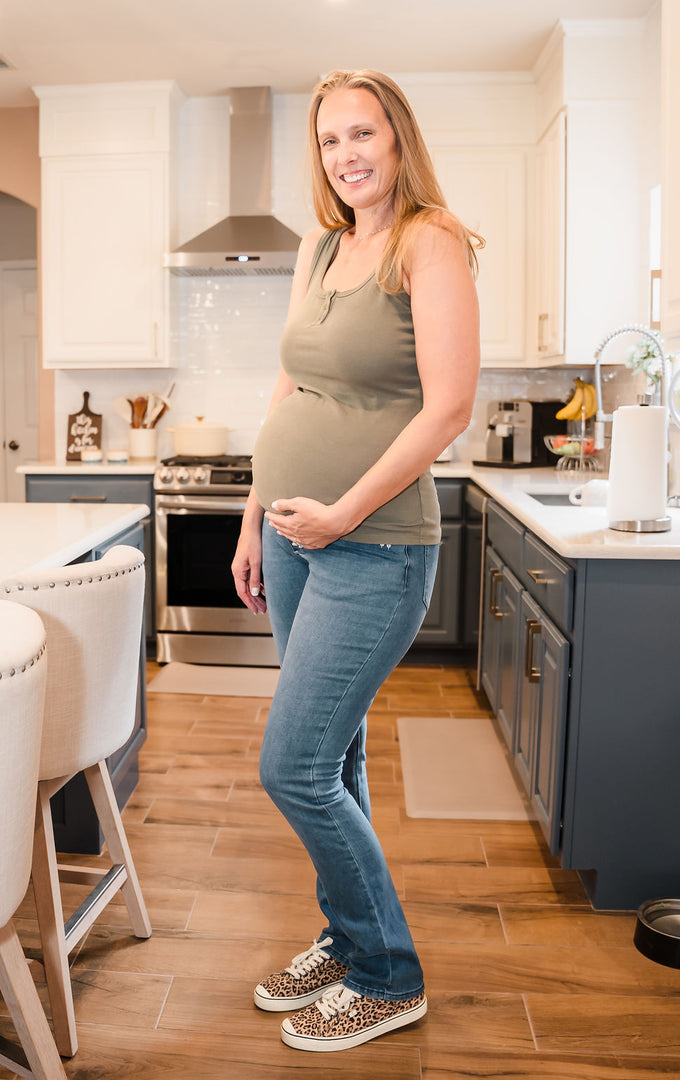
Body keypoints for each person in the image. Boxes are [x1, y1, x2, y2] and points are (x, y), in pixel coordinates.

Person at [231, 68, 481, 1053]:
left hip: (374, 547)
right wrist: (257, 518)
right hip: (296, 539)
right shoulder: (321, 245)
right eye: (332, 139)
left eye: (363, 133)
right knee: (334, 754)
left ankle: (389, 971)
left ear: (398, 137)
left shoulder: (432, 242)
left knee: (291, 767)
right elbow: (287, 391)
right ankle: (347, 934)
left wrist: (340, 512)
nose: (348, 154)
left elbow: (450, 407)